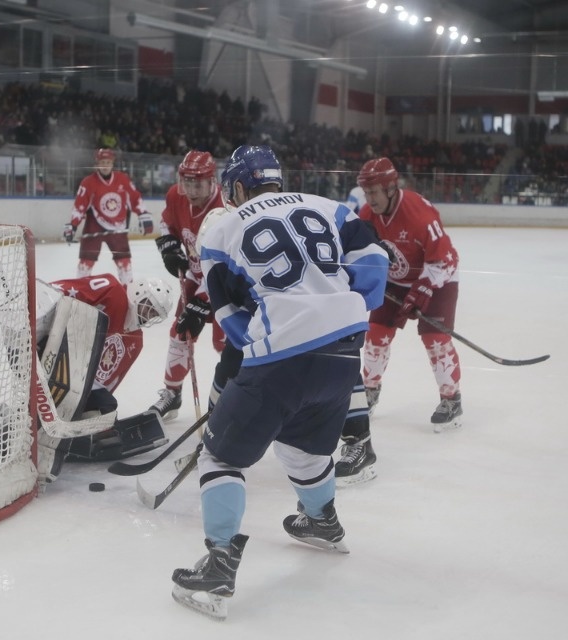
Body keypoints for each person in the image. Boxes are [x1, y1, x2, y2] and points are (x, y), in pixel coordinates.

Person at [170, 145, 388, 620]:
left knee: (220, 454)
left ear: (239, 186)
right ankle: (322, 521)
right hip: (344, 348)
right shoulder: (326, 205)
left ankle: (218, 566)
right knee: (303, 447)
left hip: (284, 354)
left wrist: (268, 342)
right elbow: (374, 259)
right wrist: (344, 305)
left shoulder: (222, 227)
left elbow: (230, 316)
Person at [356, 157, 464, 431]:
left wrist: (424, 288)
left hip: (439, 276)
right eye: (366, 193)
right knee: (376, 333)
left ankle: (451, 399)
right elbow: (360, 252)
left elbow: (445, 259)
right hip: (395, 279)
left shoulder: (420, 215)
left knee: (435, 338)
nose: (369, 199)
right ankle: (370, 390)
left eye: (374, 192)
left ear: (391, 188)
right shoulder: (367, 214)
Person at [35, 273, 173, 483]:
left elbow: (105, 382)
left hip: (78, 377)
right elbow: (61, 290)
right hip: (53, 354)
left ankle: (66, 438)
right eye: (148, 306)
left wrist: (85, 408)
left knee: (104, 411)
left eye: (154, 314)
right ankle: (46, 428)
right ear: (138, 292)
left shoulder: (136, 341)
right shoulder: (112, 290)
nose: (148, 315)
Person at [149, 150, 228, 421]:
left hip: (227, 284)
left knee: (227, 343)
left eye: (198, 183)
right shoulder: (176, 196)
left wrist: (203, 303)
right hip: (196, 275)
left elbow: (225, 266)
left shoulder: (225, 211)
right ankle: (172, 394)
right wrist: (169, 246)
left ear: (212, 181)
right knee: (179, 332)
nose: (191, 190)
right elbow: (166, 222)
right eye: (187, 182)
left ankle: (236, 395)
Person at [63, 148, 153, 284]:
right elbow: (80, 206)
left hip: (118, 227)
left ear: (112, 164)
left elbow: (135, 198)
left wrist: (143, 214)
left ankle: (127, 291)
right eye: (102, 162)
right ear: (97, 164)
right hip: (94, 226)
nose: (105, 165)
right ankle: (80, 292)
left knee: (124, 263)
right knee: (85, 263)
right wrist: (73, 224)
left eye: (108, 162)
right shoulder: (88, 182)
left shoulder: (122, 179)